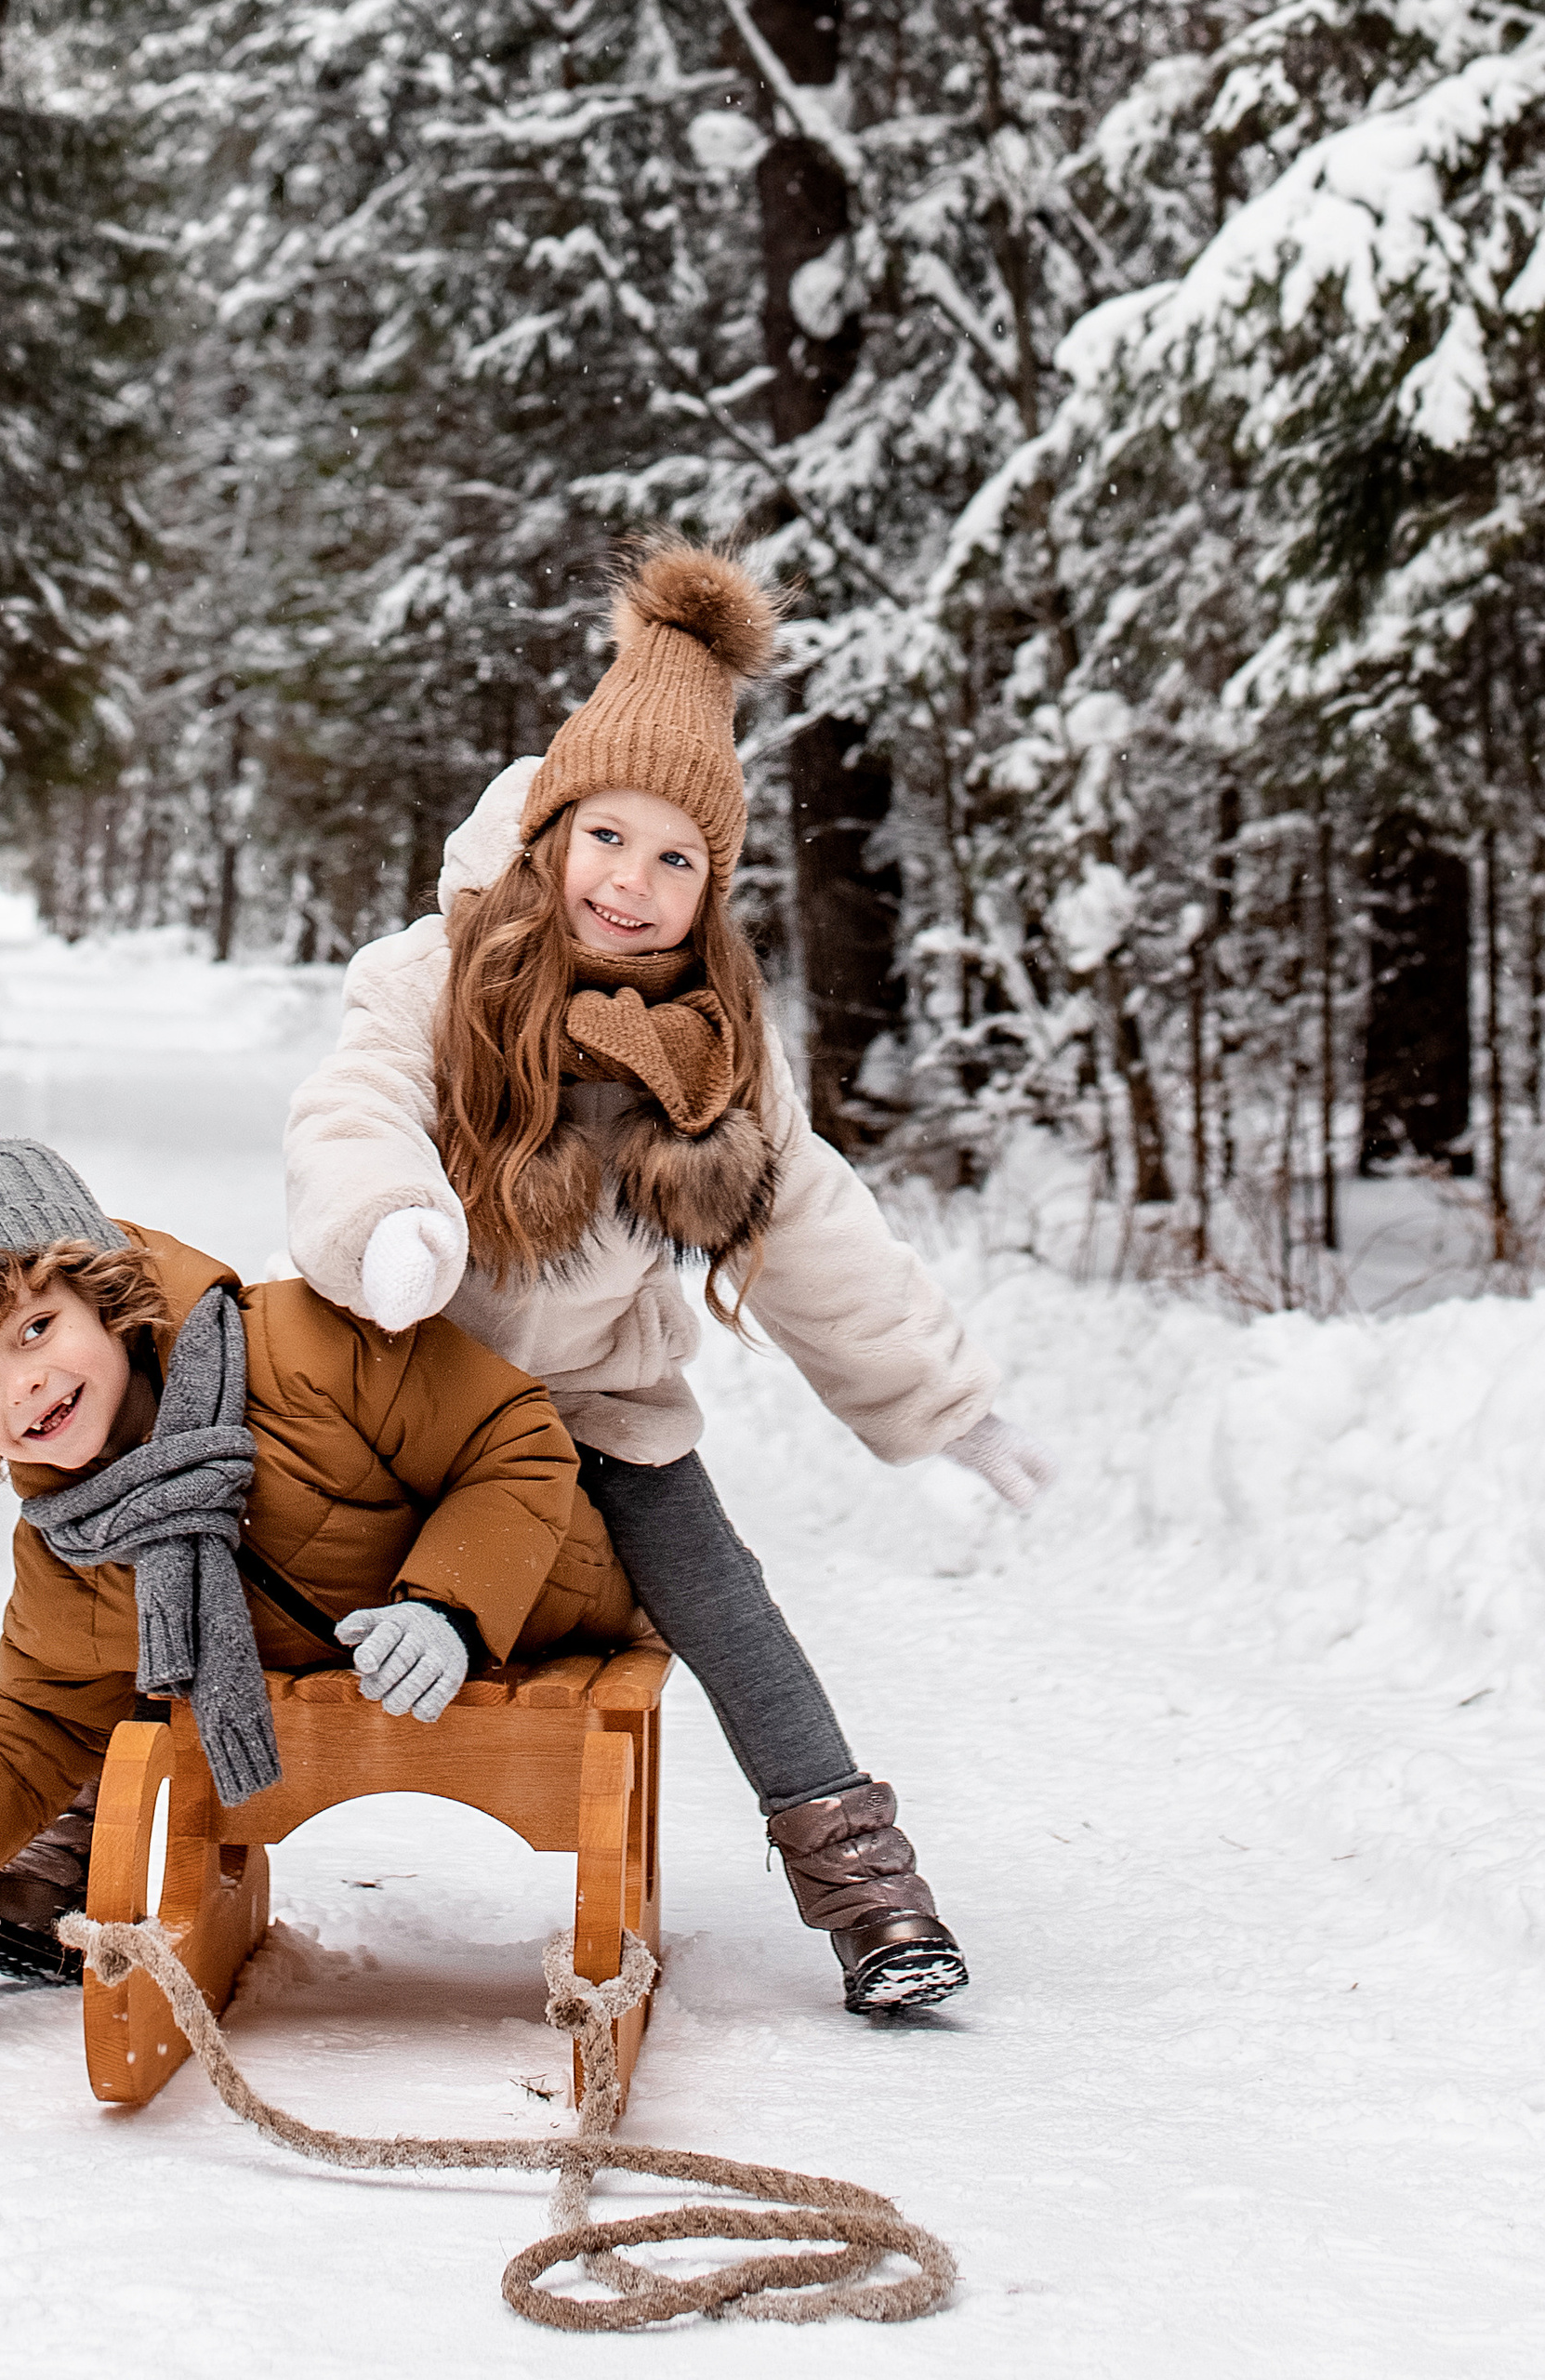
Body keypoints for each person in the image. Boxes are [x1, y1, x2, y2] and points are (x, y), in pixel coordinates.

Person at [281, 537, 1054, 2015]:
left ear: (714, 888)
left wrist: (944, 1402)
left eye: (677, 860)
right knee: (224, 1521)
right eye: (608, 839)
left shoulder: (717, 1049)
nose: (632, 884)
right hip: (398, 1376)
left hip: (588, 1404)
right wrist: (388, 1220)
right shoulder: (438, 975)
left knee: (726, 1602)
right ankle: (66, 1841)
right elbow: (353, 1104)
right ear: (551, 829)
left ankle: (866, 1888)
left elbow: (811, 1225)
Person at [0, 1066, 638, 1981]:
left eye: (35, 1329)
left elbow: (511, 1439)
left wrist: (448, 1608)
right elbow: (38, 1718)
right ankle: (45, 1865)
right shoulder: (68, 1541)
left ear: (105, 1294)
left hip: (533, 1613)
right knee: (114, 1681)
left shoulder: (299, 1348)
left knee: (154, 1656)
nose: (20, 1384)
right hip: (317, 1665)